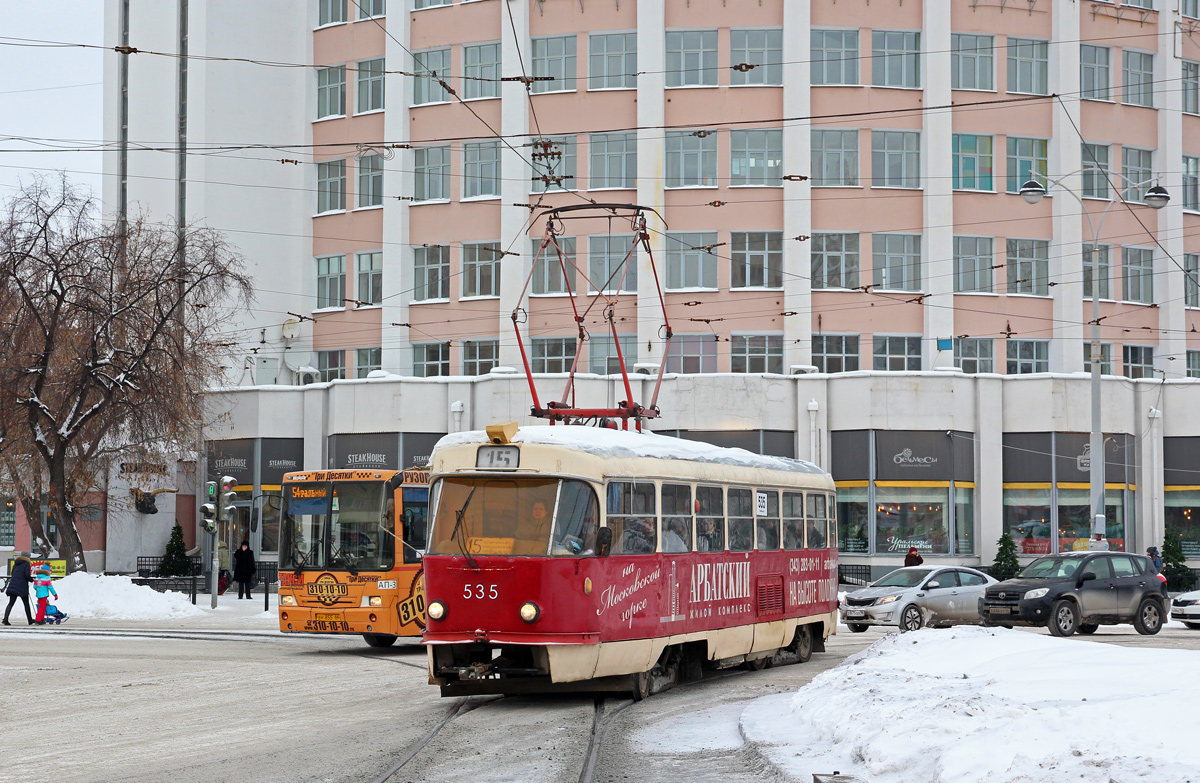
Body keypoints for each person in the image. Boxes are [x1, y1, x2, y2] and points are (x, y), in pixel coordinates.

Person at [3, 552, 35, 626]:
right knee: (26, 604)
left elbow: (12, 574)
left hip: (13, 585)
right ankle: (30, 620)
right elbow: (27, 575)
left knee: (11, 603)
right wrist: (31, 579)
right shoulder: (26, 563)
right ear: (27, 557)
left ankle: (5, 619)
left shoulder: (16, 563)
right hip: (22, 586)